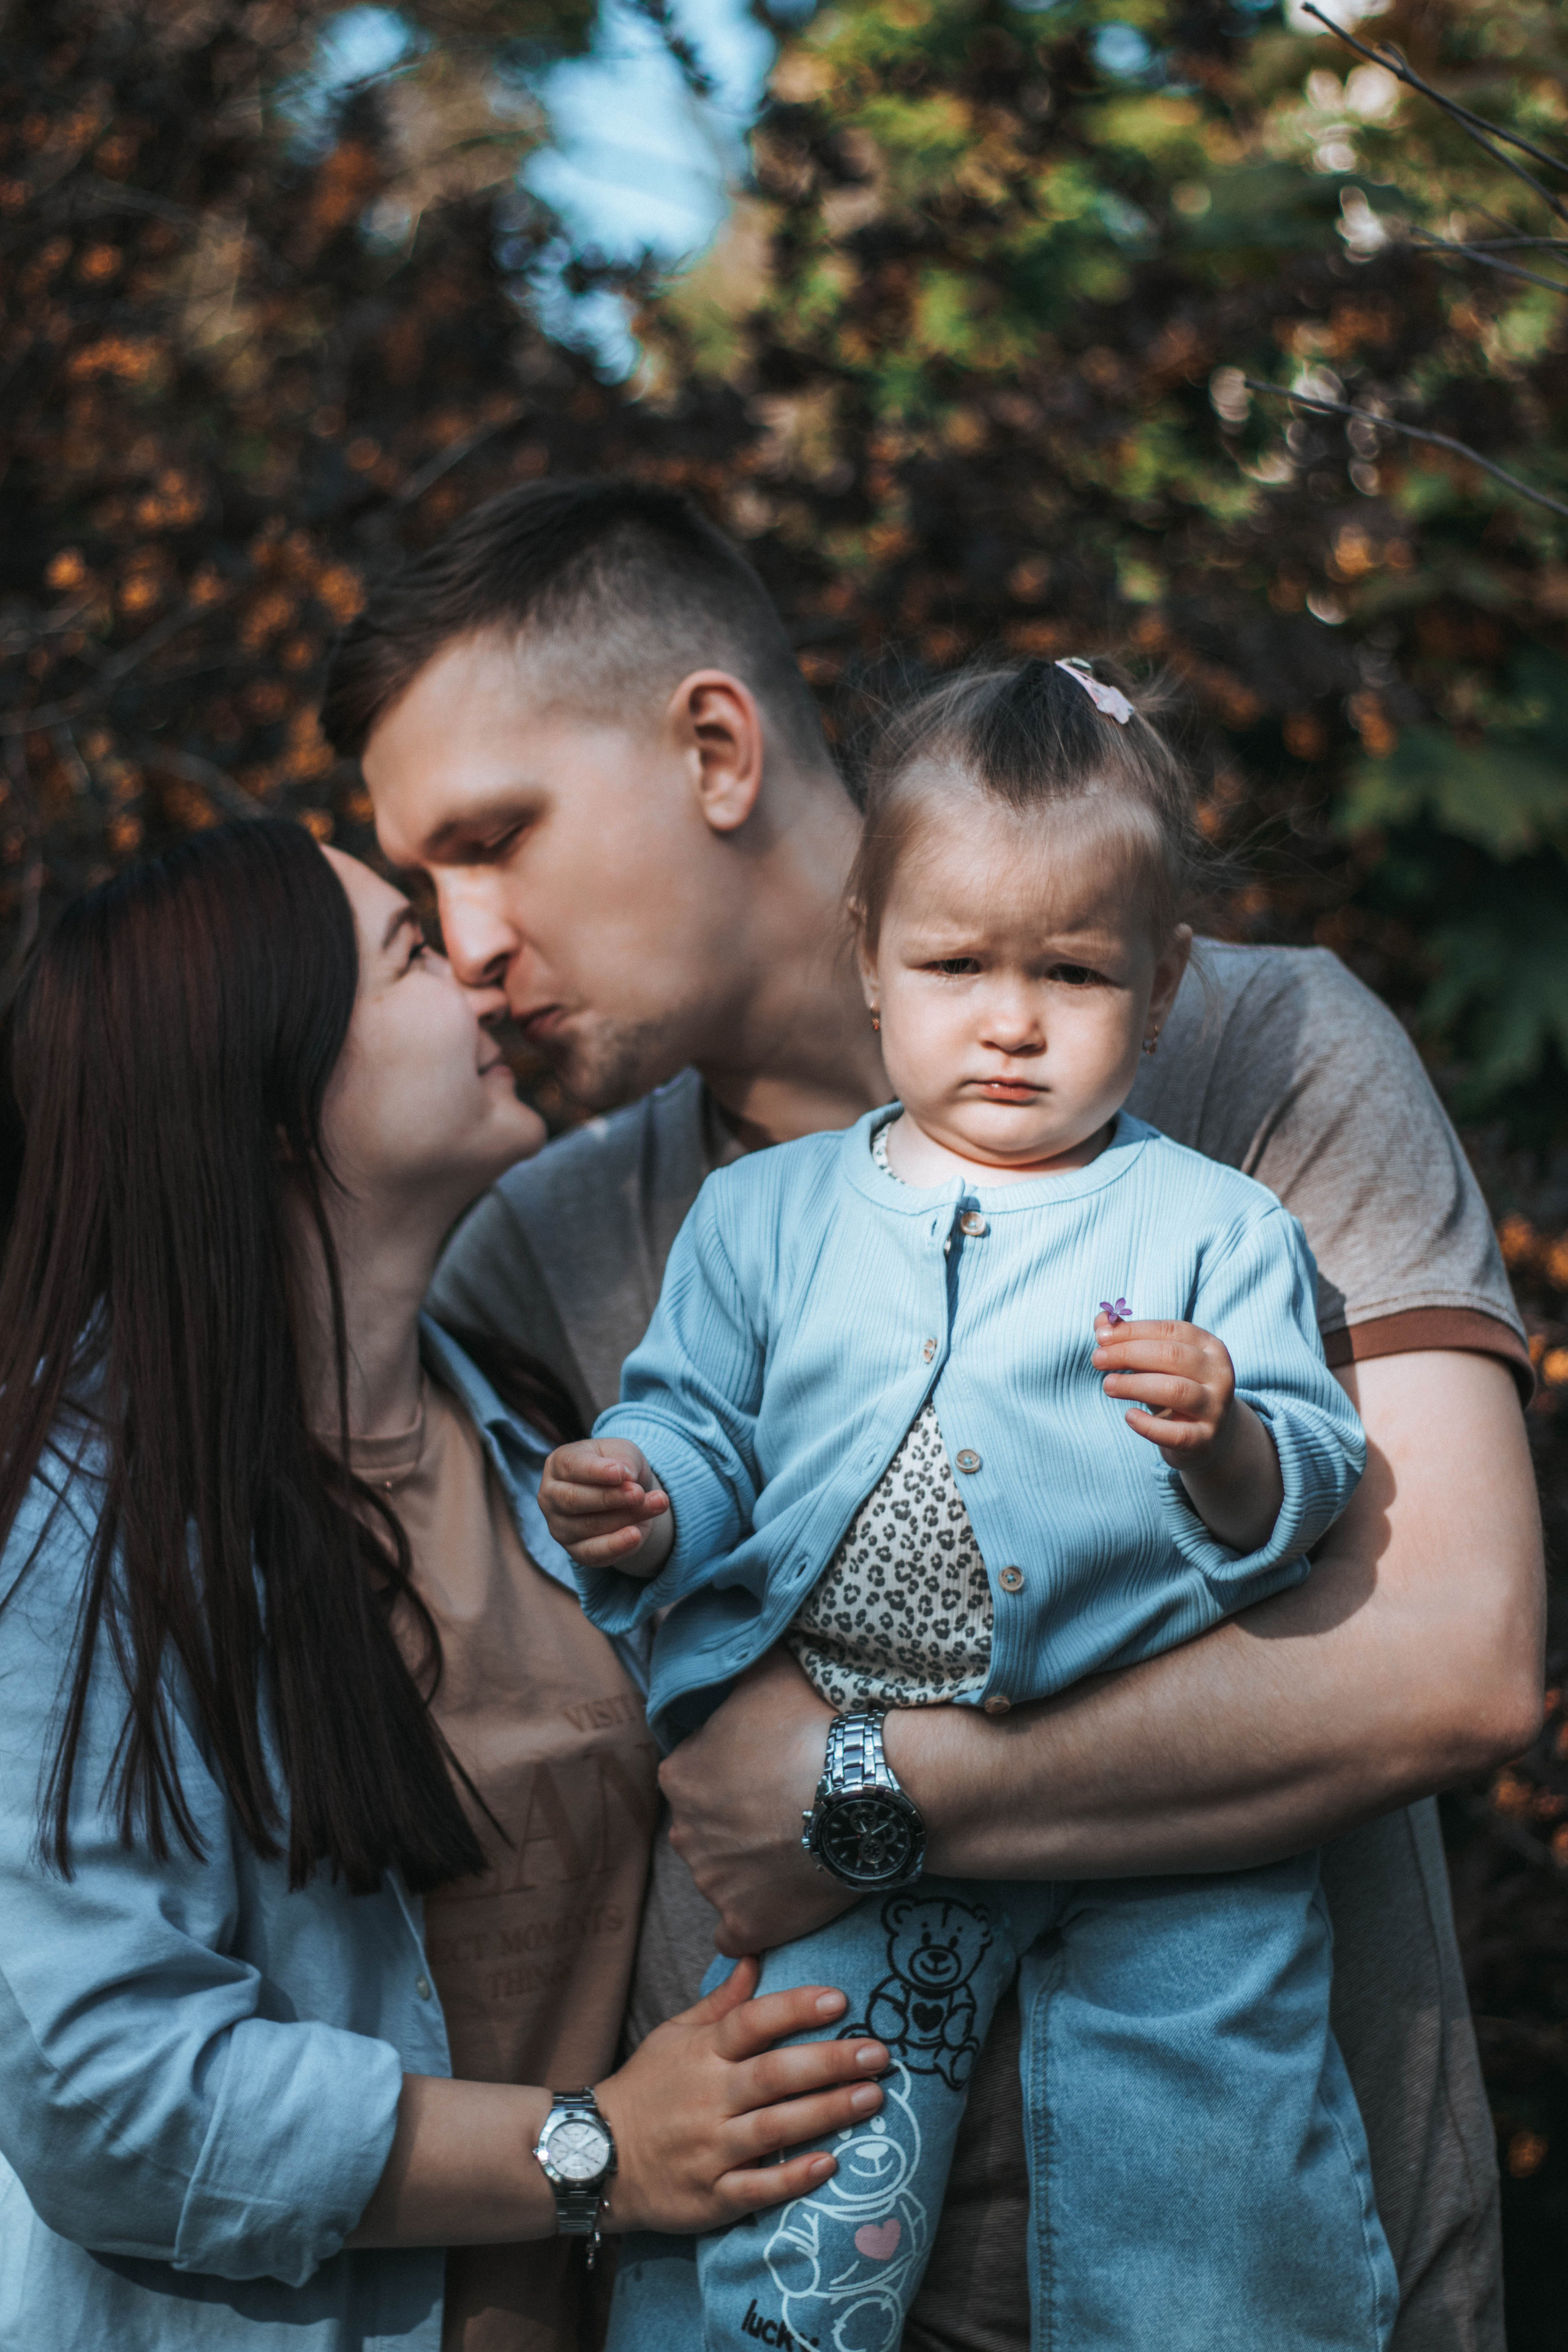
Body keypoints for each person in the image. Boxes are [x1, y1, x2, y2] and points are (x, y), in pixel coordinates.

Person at [325, 478, 1546, 2352]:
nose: (469, 940)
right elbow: (536, 1859)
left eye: (495, 841)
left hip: (1287, 2266)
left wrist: (880, 1794)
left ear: (717, 746)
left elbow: (1456, 1659)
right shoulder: (541, 1247)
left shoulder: (1265, 1057)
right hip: (794, 2273)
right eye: (424, 894)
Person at [541, 655, 1394, 2351]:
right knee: (808, 2157)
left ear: (1158, 991)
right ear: (867, 957)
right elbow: (703, 1427)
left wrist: (1228, 1435)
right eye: (954, 965)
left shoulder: (1210, 1226)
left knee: (1213, 2176)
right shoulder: (765, 1218)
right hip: (858, 1803)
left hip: (1163, 1806)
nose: (1009, 1020)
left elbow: (1310, 1480)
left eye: (1071, 974)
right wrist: (652, 1497)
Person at [0, 818, 891, 2352]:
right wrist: (597, 2147)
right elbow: (105, 2092)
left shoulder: (541, 1432)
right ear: (272, 1100)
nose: (477, 974)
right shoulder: (77, 1528)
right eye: (408, 952)